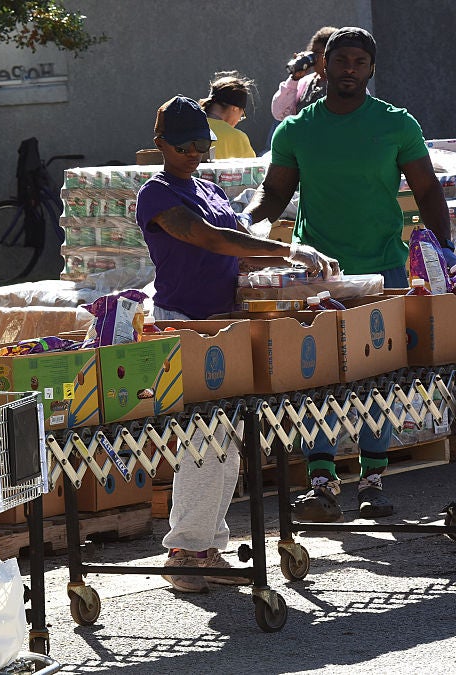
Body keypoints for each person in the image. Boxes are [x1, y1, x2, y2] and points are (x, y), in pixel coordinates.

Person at [245, 27, 455, 522]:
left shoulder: (397, 124)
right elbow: (274, 194)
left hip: (384, 267)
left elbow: (427, 192)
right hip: (319, 275)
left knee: (378, 376)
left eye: (360, 62)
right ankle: (321, 484)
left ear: (371, 70)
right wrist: (244, 219)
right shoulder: (295, 130)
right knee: (319, 373)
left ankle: (373, 482)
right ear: (323, 65)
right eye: (341, 60)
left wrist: (444, 251)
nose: (349, 69)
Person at [136, 96, 338, 592]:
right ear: (160, 143)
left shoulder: (208, 190)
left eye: (202, 145)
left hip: (224, 322)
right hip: (183, 323)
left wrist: (280, 272)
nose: (195, 154)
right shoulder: (156, 193)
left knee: (224, 441)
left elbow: (235, 251)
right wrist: (286, 249)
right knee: (204, 440)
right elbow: (207, 239)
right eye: (184, 146)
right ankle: (185, 552)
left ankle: (203, 546)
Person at [271, 26, 337, 121]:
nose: (313, 58)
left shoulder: (346, 84)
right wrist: (294, 79)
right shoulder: (305, 82)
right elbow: (280, 113)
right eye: (311, 53)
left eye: (316, 53)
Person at [199, 71, 256, 160]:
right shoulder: (238, 138)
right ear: (235, 108)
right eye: (241, 116)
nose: (238, 121)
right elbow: (252, 172)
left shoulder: (190, 126)